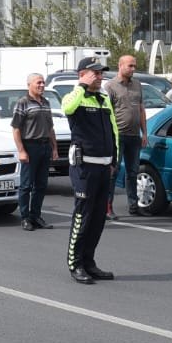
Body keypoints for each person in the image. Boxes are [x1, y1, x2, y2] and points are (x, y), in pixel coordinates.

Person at [61, 57, 119, 284]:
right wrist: (82, 87)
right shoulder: (74, 96)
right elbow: (68, 108)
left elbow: (114, 130)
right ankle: (75, 264)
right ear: (82, 74)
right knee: (82, 217)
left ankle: (89, 262)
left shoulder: (104, 98)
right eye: (94, 73)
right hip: (85, 166)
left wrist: (115, 159)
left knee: (97, 219)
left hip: (104, 166)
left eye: (101, 73)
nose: (99, 76)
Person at [102, 54, 147, 221]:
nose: (133, 69)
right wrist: (108, 138)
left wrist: (144, 133)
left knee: (133, 172)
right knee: (113, 172)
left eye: (134, 66)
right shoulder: (110, 86)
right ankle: (107, 207)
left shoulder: (137, 85)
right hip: (118, 135)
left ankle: (133, 206)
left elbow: (141, 109)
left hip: (134, 135)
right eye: (130, 66)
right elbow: (107, 113)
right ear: (120, 66)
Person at [11, 73, 56, 232]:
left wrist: (54, 148)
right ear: (29, 84)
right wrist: (22, 151)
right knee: (26, 185)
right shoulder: (23, 103)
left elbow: (50, 128)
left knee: (41, 185)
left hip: (44, 146)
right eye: (38, 83)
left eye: (43, 83)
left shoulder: (46, 102)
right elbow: (16, 129)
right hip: (30, 147)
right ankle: (25, 218)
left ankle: (36, 216)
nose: (42, 85)